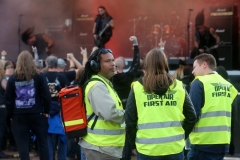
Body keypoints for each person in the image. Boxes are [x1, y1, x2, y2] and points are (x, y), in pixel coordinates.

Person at [125, 48, 197, 159]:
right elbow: (191, 117)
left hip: (147, 149)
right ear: (165, 63)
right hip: (174, 148)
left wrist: (135, 143)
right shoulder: (178, 86)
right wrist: (181, 137)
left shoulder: (137, 87)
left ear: (147, 65)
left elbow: (129, 120)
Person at [188, 53, 238, 160]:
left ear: (204, 65)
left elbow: (192, 115)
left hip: (203, 142)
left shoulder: (199, 82)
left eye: (195, 67)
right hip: (223, 142)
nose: (193, 71)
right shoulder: (227, 85)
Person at [78, 48, 125, 160]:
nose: (113, 64)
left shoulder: (103, 84)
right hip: (101, 148)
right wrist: (130, 115)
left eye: (113, 60)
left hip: (104, 147)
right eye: (107, 61)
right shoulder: (97, 86)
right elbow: (110, 113)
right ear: (96, 66)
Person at [4, 51, 51, 160]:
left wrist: (11, 114)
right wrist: (46, 111)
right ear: (32, 61)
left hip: (19, 116)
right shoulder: (39, 77)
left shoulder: (13, 78)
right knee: (43, 143)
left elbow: (8, 99)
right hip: (37, 114)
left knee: (22, 146)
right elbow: (46, 96)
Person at [44, 55, 69, 160]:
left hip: (46, 112)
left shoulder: (42, 76)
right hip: (60, 112)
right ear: (57, 65)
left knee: (48, 137)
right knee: (63, 138)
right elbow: (68, 94)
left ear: (47, 64)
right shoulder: (62, 77)